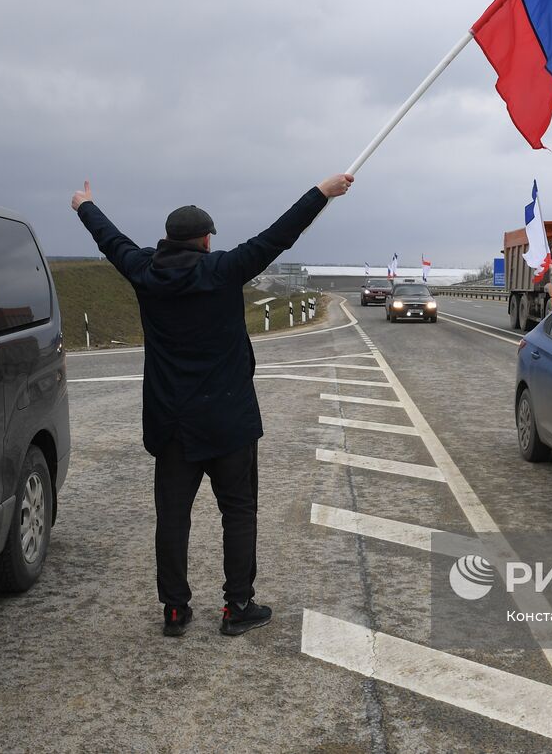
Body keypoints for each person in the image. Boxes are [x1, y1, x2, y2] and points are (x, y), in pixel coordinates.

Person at [70, 173, 354, 636]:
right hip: (228, 421)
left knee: (173, 518)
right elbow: (279, 235)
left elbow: (111, 240)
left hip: (172, 424)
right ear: (206, 240)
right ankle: (237, 606)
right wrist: (322, 193)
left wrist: (84, 205)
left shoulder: (144, 272)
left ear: (166, 239)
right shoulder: (223, 270)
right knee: (238, 512)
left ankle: (175, 610)